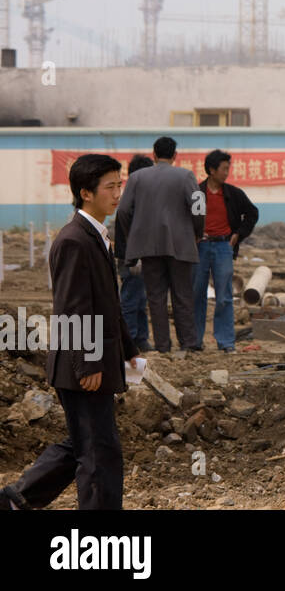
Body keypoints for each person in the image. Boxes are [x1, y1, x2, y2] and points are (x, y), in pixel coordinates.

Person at [1, 155, 141, 510]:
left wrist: (129, 350)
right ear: (85, 193)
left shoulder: (96, 237)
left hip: (95, 359)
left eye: (119, 185)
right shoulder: (74, 240)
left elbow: (108, 304)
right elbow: (73, 308)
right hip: (83, 367)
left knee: (85, 443)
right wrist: (87, 362)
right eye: (109, 187)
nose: (117, 194)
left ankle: (17, 499)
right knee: (98, 453)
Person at [115, 136, 204, 354]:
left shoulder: (136, 178)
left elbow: (123, 210)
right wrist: (197, 233)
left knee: (156, 298)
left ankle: (163, 346)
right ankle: (188, 344)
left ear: (153, 155)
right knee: (183, 296)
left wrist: (133, 235)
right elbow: (199, 208)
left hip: (148, 247)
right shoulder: (186, 176)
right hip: (180, 245)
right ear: (175, 155)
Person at [192, 149, 259, 353]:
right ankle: (195, 341)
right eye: (224, 168)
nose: (227, 172)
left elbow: (252, 213)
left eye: (228, 168)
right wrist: (193, 236)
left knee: (224, 296)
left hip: (223, 247)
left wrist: (238, 234)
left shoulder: (233, 194)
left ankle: (226, 342)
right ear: (212, 170)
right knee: (197, 293)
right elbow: (186, 218)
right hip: (200, 247)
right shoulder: (197, 193)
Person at [114, 154, 153, 352]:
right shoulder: (131, 199)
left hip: (140, 255)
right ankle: (128, 341)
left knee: (141, 299)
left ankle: (140, 338)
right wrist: (134, 255)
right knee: (131, 300)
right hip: (131, 258)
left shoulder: (142, 197)